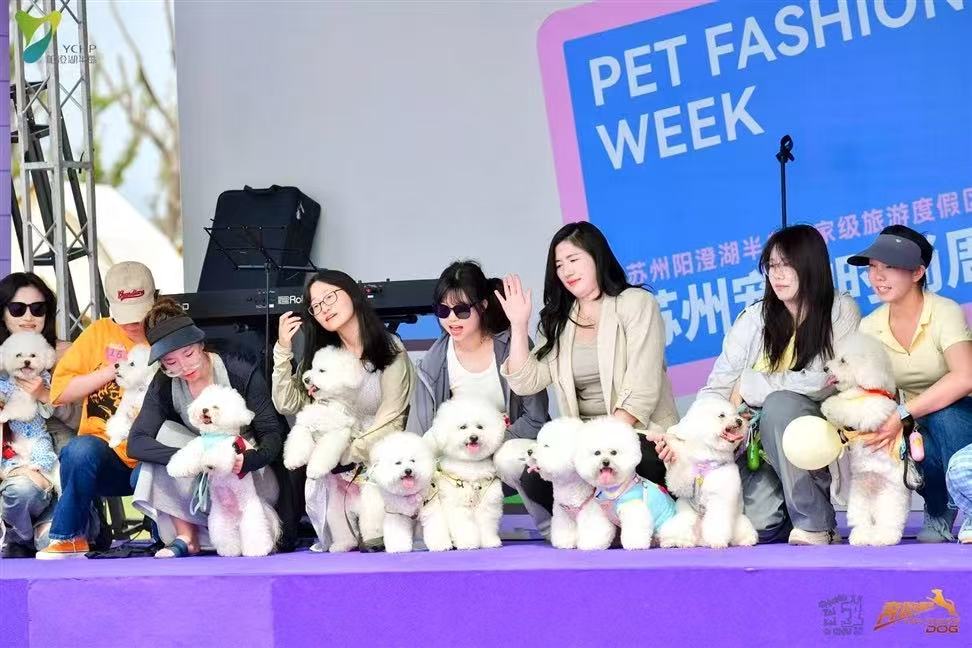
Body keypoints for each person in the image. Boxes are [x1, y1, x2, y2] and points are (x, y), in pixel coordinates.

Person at [694, 224, 860, 545]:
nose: (777, 274)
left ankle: (815, 523)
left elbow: (826, 381)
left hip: (816, 427)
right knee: (761, 527)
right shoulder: (754, 318)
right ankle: (788, 506)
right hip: (757, 436)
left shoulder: (840, 310)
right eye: (771, 265)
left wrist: (749, 386)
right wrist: (700, 429)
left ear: (811, 266)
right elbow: (718, 386)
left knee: (781, 404)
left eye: (787, 265)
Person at [499, 222, 678, 516]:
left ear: (597, 258)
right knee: (527, 470)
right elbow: (525, 382)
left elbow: (641, 390)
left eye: (573, 259)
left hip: (637, 434)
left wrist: (593, 446)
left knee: (636, 462)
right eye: (559, 265)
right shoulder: (558, 320)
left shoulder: (636, 304)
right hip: (583, 442)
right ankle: (582, 521)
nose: (566, 271)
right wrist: (518, 326)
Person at [126, 298, 297, 557]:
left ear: (200, 344)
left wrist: (251, 459)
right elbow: (136, 441)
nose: (184, 367)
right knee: (161, 439)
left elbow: (272, 432)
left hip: (248, 473)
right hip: (204, 475)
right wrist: (195, 458)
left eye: (188, 354)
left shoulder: (239, 370)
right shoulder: (165, 382)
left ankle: (245, 532)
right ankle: (187, 536)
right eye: (171, 362)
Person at [273, 269, 415, 549]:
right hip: (335, 470)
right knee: (342, 542)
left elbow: (393, 418)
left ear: (352, 293)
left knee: (376, 538)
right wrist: (282, 350)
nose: (324, 309)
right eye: (316, 306)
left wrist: (348, 455)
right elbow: (287, 403)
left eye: (329, 297)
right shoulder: (324, 356)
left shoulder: (390, 349)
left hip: (378, 458)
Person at [405, 261, 550, 530]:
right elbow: (420, 434)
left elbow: (536, 418)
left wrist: (488, 443)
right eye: (443, 310)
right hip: (459, 455)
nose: (451, 319)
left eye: (461, 310)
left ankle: (553, 527)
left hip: (508, 446)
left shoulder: (512, 346)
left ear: (482, 306)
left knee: (510, 458)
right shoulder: (433, 363)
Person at [851, 225, 972, 543]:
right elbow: (872, 390)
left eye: (890, 266)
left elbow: (965, 377)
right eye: (873, 267)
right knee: (901, 439)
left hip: (963, 417)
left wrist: (903, 412)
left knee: (945, 415)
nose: (878, 277)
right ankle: (939, 508)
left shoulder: (944, 312)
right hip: (914, 424)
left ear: (918, 272)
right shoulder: (870, 326)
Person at [37, 261, 158, 559]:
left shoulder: (169, 329)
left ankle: (171, 538)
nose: (133, 323)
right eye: (125, 315)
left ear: (155, 298)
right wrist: (113, 370)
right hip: (107, 457)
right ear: (109, 304)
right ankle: (69, 537)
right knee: (79, 450)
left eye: (140, 314)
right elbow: (58, 393)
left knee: (161, 465)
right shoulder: (98, 333)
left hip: (154, 456)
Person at [0, 272, 77, 558]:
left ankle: (44, 530)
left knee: (52, 545)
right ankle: (17, 532)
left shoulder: (66, 354)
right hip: (14, 462)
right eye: (17, 309)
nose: (28, 316)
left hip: (62, 458)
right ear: (2, 312)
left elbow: (85, 420)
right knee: (20, 492)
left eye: (38, 308)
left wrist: (47, 396)